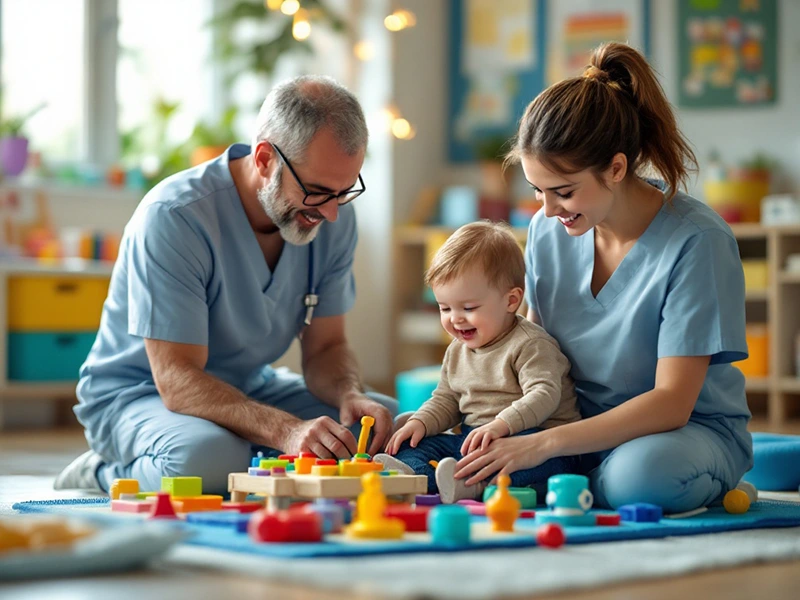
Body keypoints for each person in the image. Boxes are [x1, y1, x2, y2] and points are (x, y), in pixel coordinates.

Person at [55, 76, 396, 494]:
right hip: (142, 393)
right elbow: (177, 378)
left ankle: (249, 452)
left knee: (385, 427)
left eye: (344, 193)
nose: (331, 215)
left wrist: (349, 393)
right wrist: (285, 430)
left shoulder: (332, 218)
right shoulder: (175, 216)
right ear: (266, 159)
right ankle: (101, 471)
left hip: (247, 386)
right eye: (317, 192)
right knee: (205, 463)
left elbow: (326, 348)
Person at [454, 42, 755, 514]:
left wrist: (544, 445)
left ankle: (719, 473)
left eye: (563, 192)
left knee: (637, 479)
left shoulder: (698, 242)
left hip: (679, 432)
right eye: (537, 191)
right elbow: (528, 349)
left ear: (616, 168)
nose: (547, 210)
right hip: (572, 427)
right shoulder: (547, 231)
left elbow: (673, 402)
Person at [375, 221, 581, 503]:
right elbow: (446, 399)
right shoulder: (457, 350)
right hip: (474, 441)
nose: (455, 318)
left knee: (534, 465)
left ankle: (473, 483)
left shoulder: (531, 344)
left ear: (511, 301)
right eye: (445, 308)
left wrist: (501, 425)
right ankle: (417, 477)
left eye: (468, 308)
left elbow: (544, 395)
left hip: (535, 441)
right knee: (412, 444)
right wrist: (421, 422)